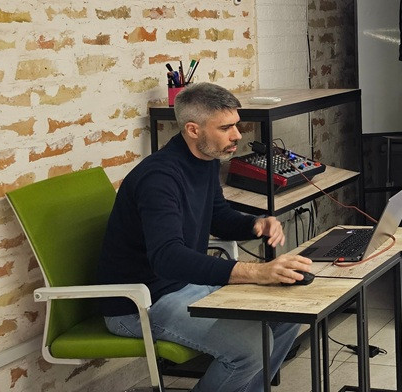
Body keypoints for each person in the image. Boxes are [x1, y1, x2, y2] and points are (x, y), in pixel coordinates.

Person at [98, 82, 313, 392]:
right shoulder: (159, 178)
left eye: (236, 125)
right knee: (251, 349)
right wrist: (256, 272)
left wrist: (255, 224)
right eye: (225, 128)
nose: (237, 135)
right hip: (140, 303)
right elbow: (167, 258)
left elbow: (218, 217)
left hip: (184, 286)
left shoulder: (205, 161)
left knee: (287, 317)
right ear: (193, 129)